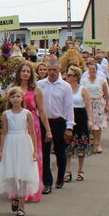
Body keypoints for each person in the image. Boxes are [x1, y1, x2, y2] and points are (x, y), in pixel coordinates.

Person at [0, 87, 40, 216]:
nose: (15, 99)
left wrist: (35, 151)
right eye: (13, 97)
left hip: (24, 142)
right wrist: (1, 151)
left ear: (22, 98)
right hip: (11, 143)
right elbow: (4, 133)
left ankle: (22, 206)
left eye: (18, 96)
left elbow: (32, 134)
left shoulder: (27, 114)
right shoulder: (6, 114)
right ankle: (15, 197)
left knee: (23, 174)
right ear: (10, 99)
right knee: (12, 173)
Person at [8, 61, 48, 205]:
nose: (25, 73)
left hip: (33, 125)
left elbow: (42, 111)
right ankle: (17, 191)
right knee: (17, 158)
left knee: (32, 157)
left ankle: (31, 191)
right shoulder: (13, 89)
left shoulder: (36, 90)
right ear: (19, 73)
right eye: (23, 71)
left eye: (28, 71)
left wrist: (47, 130)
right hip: (16, 125)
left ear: (31, 74)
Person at [37, 60, 75, 192]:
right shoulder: (40, 85)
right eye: (50, 69)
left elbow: (69, 107)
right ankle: (47, 182)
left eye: (54, 69)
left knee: (60, 152)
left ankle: (60, 176)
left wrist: (69, 127)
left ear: (59, 70)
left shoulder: (65, 86)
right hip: (44, 121)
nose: (52, 72)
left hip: (59, 121)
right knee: (45, 152)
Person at [64, 66, 93, 181]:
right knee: (68, 145)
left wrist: (90, 120)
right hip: (69, 117)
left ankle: (80, 171)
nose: (67, 77)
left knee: (81, 144)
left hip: (80, 116)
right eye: (67, 75)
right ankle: (68, 171)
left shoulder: (83, 90)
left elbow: (88, 106)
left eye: (70, 75)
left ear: (76, 77)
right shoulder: (65, 89)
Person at [81, 61, 109, 154]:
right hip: (88, 104)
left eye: (94, 69)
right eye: (90, 69)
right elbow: (81, 94)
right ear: (88, 70)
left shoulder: (101, 80)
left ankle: (98, 143)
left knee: (98, 124)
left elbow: (106, 93)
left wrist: (107, 104)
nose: (92, 70)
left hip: (99, 103)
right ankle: (92, 143)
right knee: (90, 124)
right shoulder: (84, 81)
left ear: (96, 70)